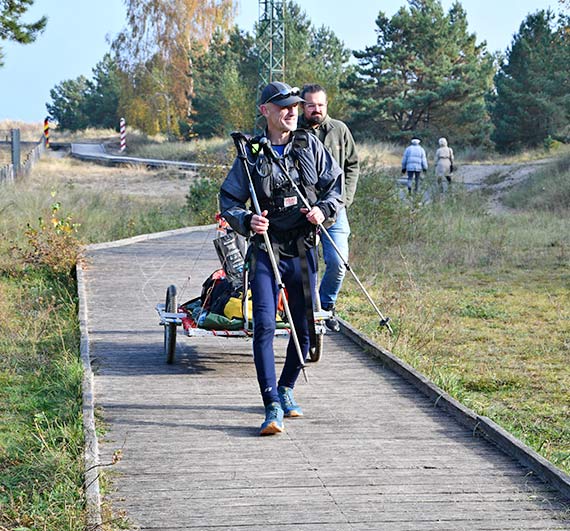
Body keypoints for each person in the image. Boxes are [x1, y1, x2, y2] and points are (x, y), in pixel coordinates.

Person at [219, 81, 343, 435]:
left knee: (305, 332)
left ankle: (287, 388)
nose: (292, 111)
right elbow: (229, 200)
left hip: (302, 247)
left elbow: (334, 189)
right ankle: (271, 403)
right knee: (265, 327)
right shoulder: (250, 154)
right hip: (265, 250)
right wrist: (246, 220)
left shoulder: (311, 146)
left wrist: (322, 210)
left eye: (295, 106)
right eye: (284, 106)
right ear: (266, 112)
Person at [298, 84, 360, 333]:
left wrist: (346, 198)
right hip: (302, 211)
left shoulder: (340, 130)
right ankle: (308, 311)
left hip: (335, 209)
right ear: (302, 106)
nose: (316, 109)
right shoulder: (293, 130)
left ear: (327, 105)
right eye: (311, 105)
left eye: (320, 105)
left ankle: (326, 306)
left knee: (338, 261)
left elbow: (353, 165)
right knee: (305, 265)